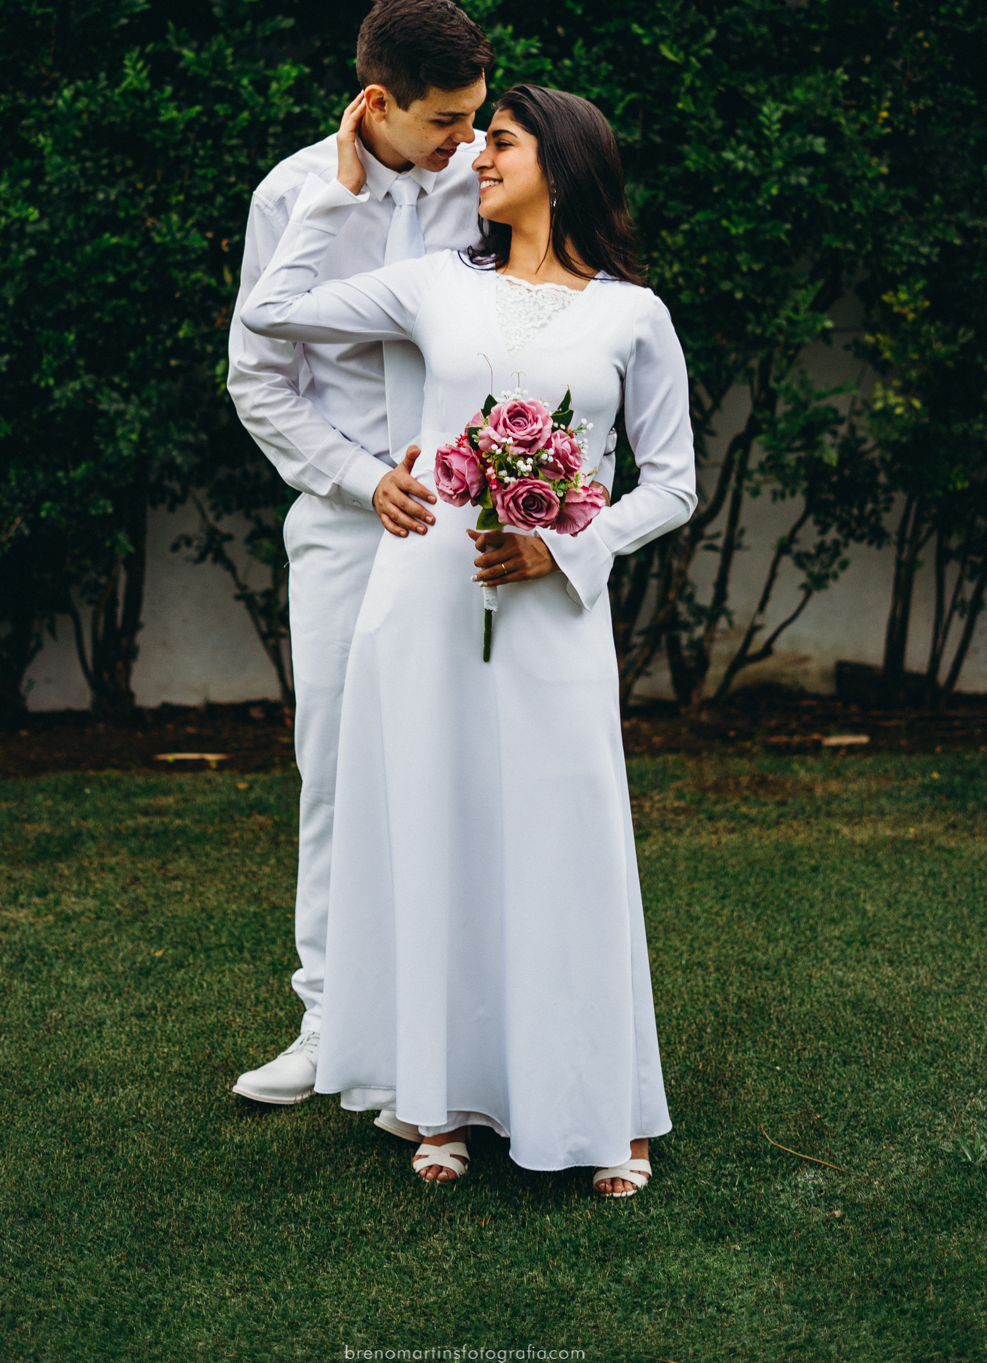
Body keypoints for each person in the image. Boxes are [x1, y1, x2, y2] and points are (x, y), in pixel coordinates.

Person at [239, 83, 697, 1196]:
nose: (475, 161)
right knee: (437, 833)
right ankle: (437, 1099)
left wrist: (568, 550)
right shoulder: (437, 285)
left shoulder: (634, 314)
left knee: (563, 838)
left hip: (552, 613)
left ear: (566, 163)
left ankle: (603, 1108)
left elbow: (672, 484)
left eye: (499, 142)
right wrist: (334, 193)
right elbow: (274, 314)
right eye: (477, 140)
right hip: (424, 605)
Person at [227, 0, 493, 1117]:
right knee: (335, 770)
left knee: (470, 765)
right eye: (445, 120)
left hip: (469, 530)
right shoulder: (291, 194)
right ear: (378, 101)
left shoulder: (494, 182)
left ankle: (469, 1032)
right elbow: (258, 377)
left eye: (477, 115)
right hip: (344, 523)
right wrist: (356, 478)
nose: (465, 138)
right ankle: (329, 1025)